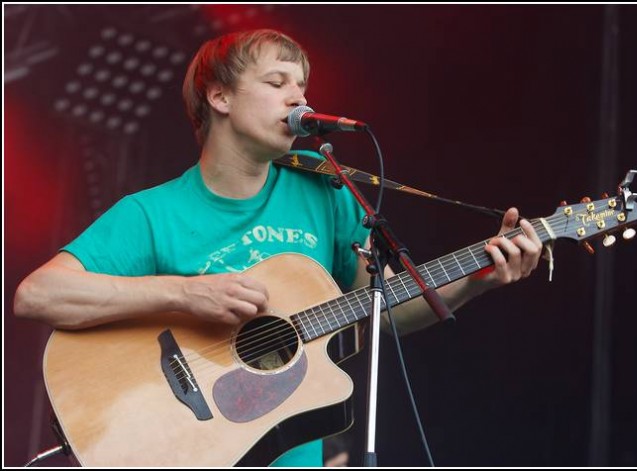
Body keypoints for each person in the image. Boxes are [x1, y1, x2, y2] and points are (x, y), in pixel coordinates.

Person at [13, 29, 543, 467]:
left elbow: (379, 310)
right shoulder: (151, 213)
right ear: (219, 97)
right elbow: (39, 295)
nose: (300, 99)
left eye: (303, 86)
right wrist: (184, 295)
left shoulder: (327, 192)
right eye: (277, 82)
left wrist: (478, 280)